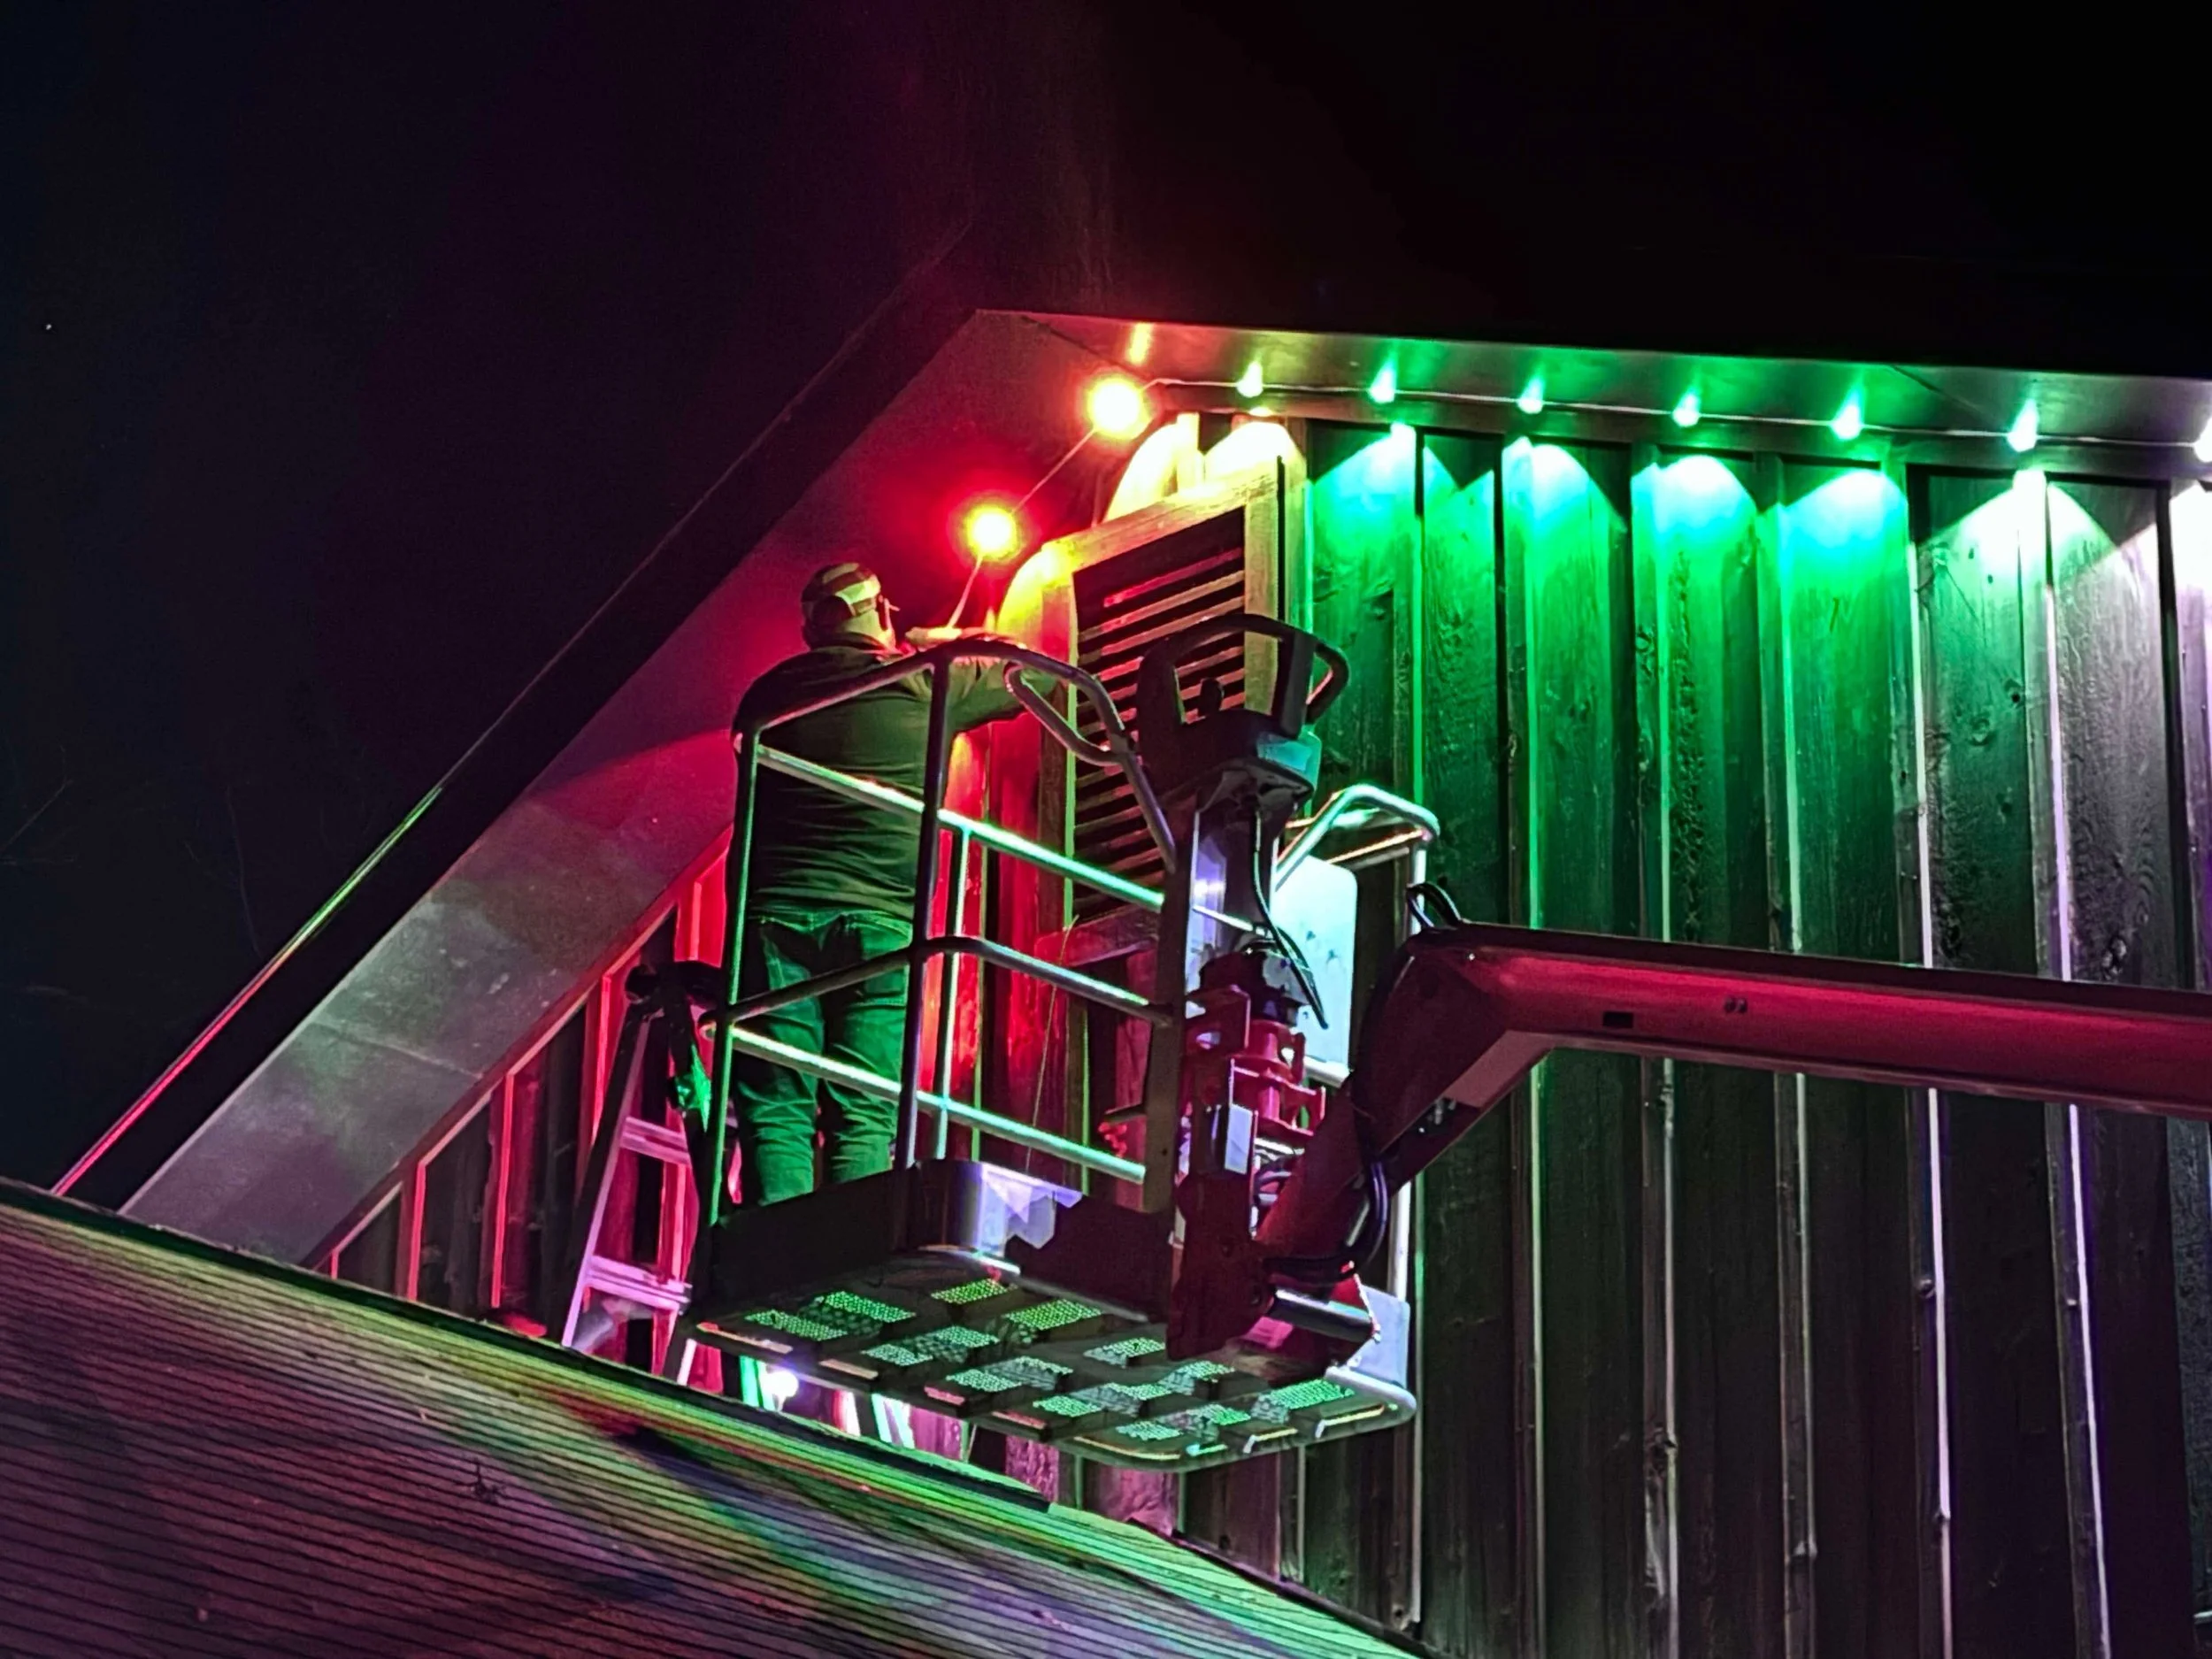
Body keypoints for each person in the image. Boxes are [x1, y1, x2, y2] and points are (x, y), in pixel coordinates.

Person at [722, 560, 1029, 1206]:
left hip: (773, 916)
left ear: (812, 630)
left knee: (778, 1103)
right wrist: (929, 640)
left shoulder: (765, 695)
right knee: (863, 1110)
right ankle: (838, 1255)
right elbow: (1033, 670)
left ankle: (780, 1258)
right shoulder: (929, 682)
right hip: (883, 924)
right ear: (879, 614)